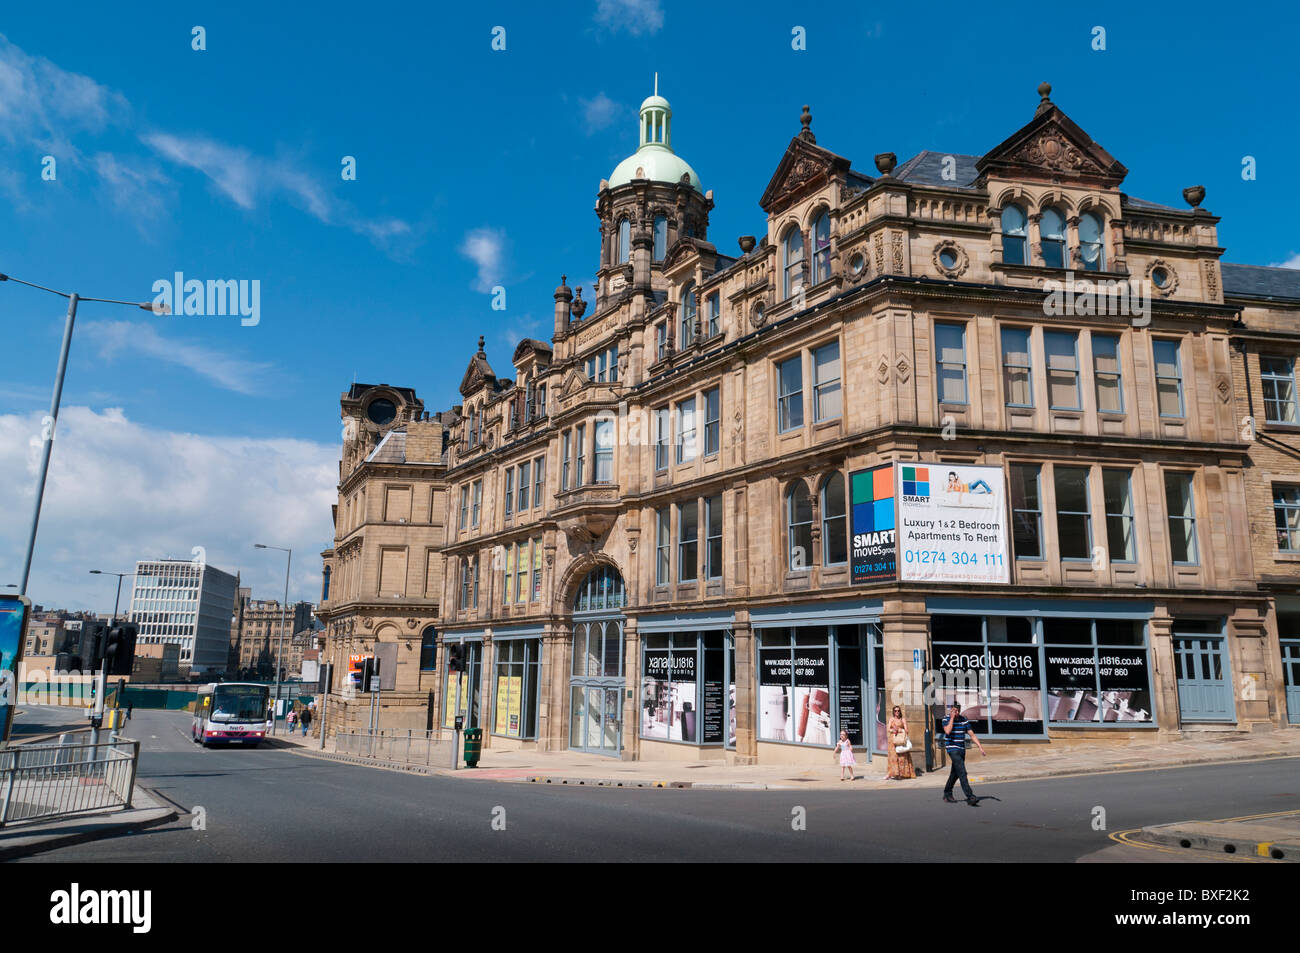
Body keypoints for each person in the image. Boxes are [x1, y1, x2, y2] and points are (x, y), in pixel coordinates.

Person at [942, 703, 986, 806]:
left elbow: (972, 734)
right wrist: (952, 718)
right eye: (953, 711)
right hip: (952, 748)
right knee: (962, 771)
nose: (955, 713)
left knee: (955, 773)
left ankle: (947, 793)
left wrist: (980, 747)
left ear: (959, 710)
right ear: (951, 710)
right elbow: (947, 731)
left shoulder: (964, 720)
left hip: (962, 749)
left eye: (957, 711)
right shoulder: (946, 719)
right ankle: (970, 796)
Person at [885, 705, 915, 780]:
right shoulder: (891, 719)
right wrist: (894, 730)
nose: (897, 712)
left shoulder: (903, 719)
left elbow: (907, 730)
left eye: (898, 710)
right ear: (893, 712)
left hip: (901, 739)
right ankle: (891, 773)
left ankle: (901, 774)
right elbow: (888, 729)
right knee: (893, 757)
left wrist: (900, 730)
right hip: (893, 739)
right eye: (895, 711)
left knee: (902, 757)